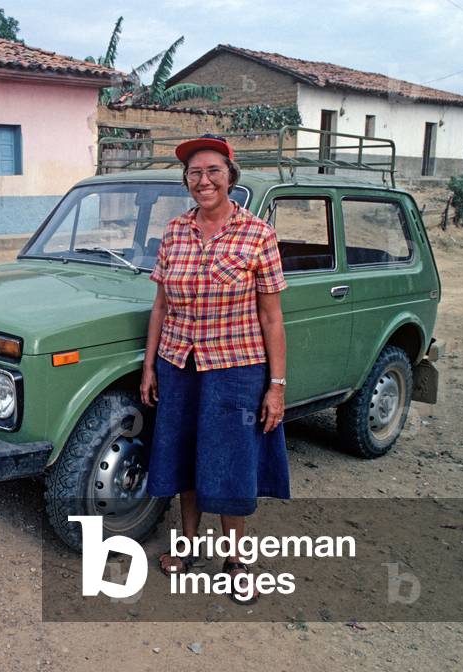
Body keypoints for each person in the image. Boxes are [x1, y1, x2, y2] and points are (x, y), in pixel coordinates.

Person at [140, 134, 289, 604]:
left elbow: (271, 316)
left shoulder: (257, 235)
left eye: (212, 171)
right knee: (184, 456)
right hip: (179, 362)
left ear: (230, 177)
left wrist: (277, 386)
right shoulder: (175, 232)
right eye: (194, 173)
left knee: (229, 462)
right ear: (186, 181)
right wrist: (150, 367)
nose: (203, 180)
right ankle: (185, 547)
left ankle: (235, 558)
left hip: (236, 369)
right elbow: (160, 306)